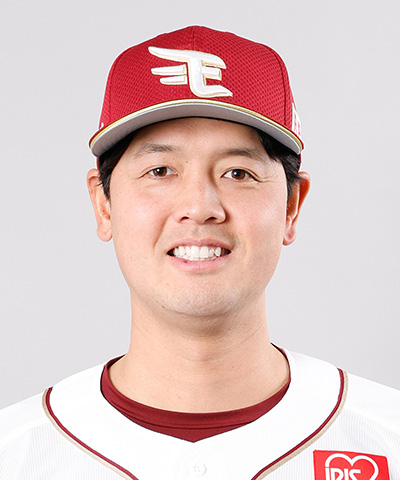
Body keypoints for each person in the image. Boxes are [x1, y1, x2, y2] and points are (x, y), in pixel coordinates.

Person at [1, 25, 399, 479]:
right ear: (103, 203)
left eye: (238, 173)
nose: (200, 207)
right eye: (160, 170)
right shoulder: (16, 454)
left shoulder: (386, 437)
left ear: (291, 205)